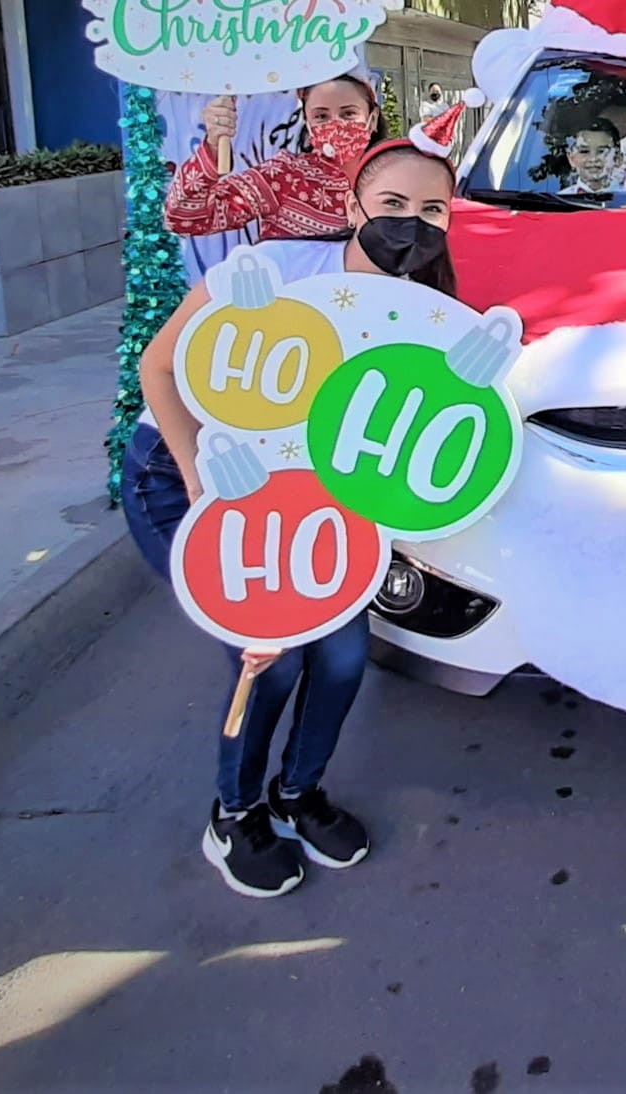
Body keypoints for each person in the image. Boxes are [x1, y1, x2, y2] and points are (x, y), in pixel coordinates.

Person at [126, 131, 460, 898]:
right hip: (185, 478)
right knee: (270, 657)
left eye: (432, 208)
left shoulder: (429, 312)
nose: (411, 220)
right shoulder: (272, 270)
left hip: (305, 500)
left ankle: (297, 792)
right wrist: (202, 484)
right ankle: (233, 813)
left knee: (342, 656)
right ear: (351, 205)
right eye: (393, 203)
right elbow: (160, 363)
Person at [164, 74, 384, 241]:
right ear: (307, 124)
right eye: (321, 116)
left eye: (348, 114)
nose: (335, 123)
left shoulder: (398, 174)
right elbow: (186, 218)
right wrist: (213, 145)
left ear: (372, 119)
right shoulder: (285, 176)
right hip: (296, 300)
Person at [562, 122, 620, 194]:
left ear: (617, 157)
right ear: (571, 158)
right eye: (584, 151)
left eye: (601, 151)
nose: (593, 159)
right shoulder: (556, 200)